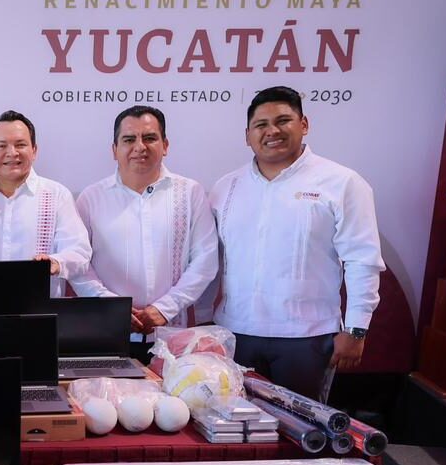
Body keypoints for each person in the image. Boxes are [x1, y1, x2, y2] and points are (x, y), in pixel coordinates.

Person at [210, 86, 385, 399]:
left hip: (307, 339)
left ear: (304, 125)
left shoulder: (342, 183)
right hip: (236, 334)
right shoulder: (226, 188)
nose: (272, 131)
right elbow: (210, 262)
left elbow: (362, 259)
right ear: (247, 134)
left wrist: (357, 329)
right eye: (261, 125)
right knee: (233, 426)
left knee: (302, 430)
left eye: (283, 121)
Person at [70, 106, 218, 358]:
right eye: (129, 139)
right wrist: (113, 308)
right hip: (107, 335)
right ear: (114, 150)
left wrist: (165, 308)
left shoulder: (190, 193)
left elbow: (205, 261)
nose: (140, 146)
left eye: (149, 138)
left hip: (171, 337)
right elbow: (79, 264)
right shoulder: (91, 198)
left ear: (165, 145)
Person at [0, 110, 91, 297]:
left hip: (39, 312)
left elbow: (80, 252)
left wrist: (55, 262)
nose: (12, 153)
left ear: (34, 150)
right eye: (1, 146)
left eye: (20, 144)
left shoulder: (56, 195)